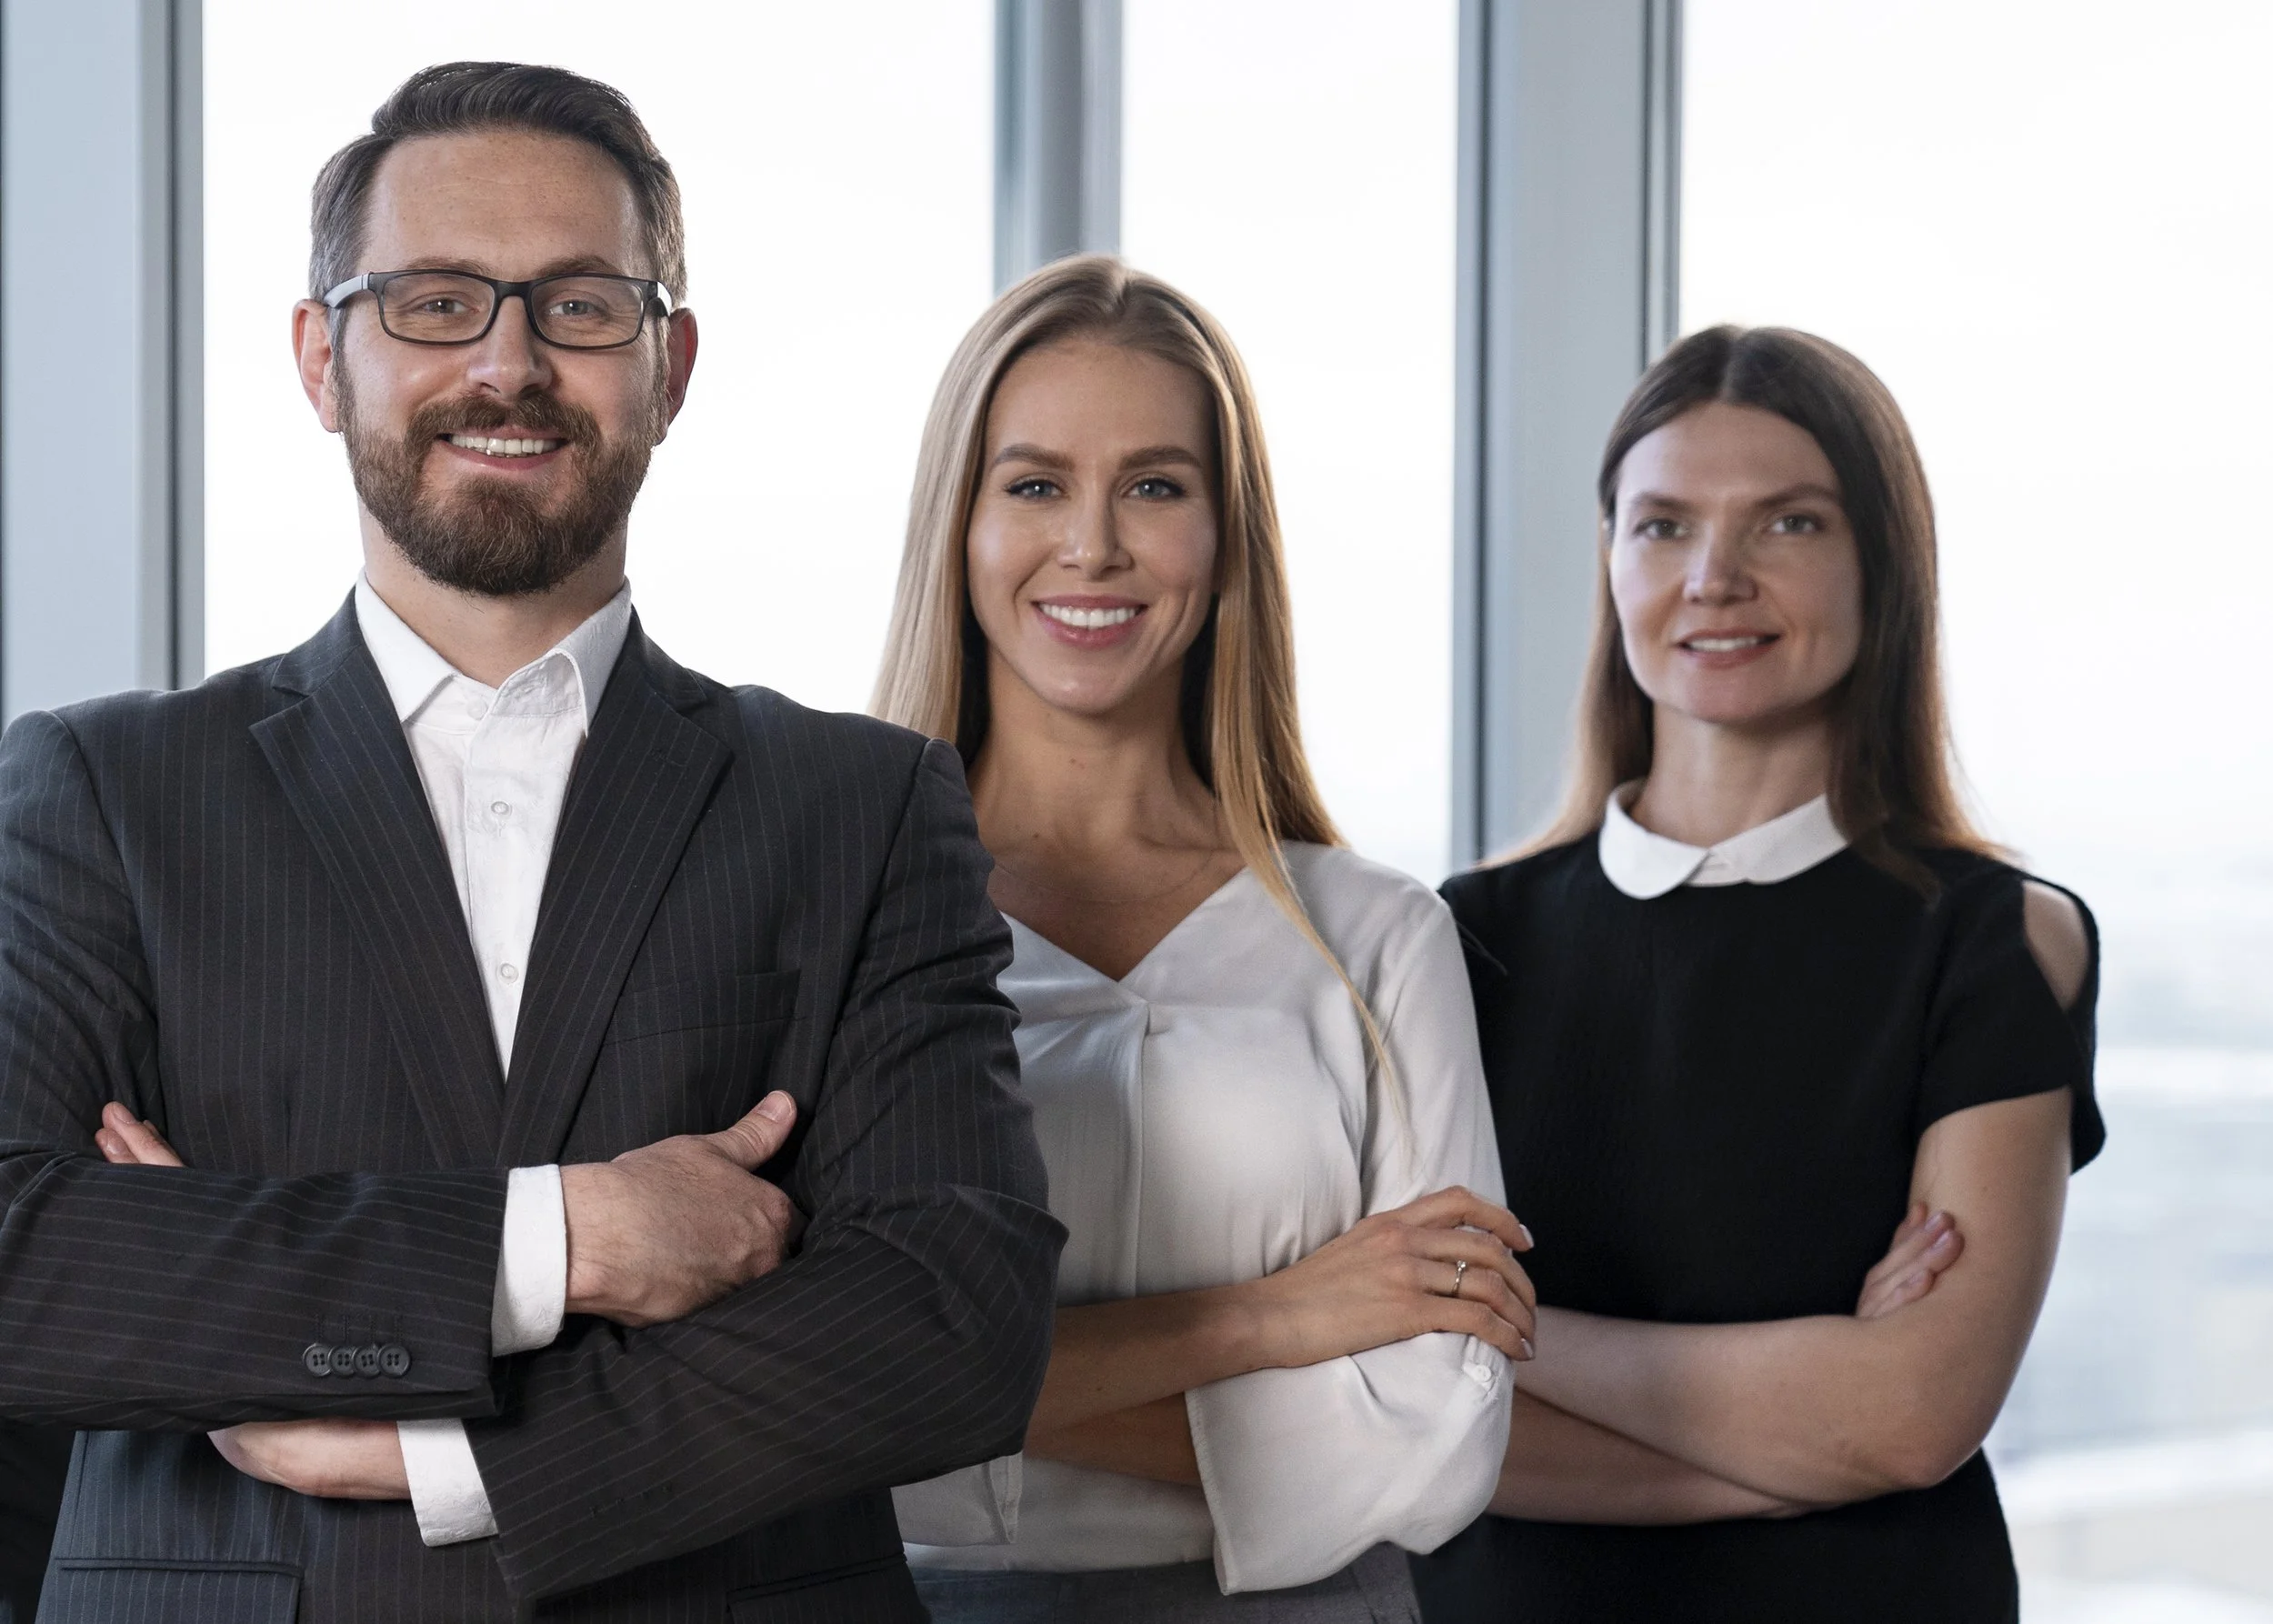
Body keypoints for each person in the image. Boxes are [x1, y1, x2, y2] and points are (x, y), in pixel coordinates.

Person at [0, 61, 1060, 1621]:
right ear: (321, 359)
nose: (508, 363)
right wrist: (570, 1236)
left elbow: (954, 1322)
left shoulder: (864, 804)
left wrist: (447, 1455)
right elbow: (26, 1263)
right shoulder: (107, 788)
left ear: (670, 366)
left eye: (580, 306)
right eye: (435, 302)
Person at [872, 255, 1532, 1622]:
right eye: (1034, 484)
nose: (1093, 546)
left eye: (1156, 487)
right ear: (959, 525)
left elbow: (1442, 1432)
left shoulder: (1379, 938)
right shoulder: (840, 914)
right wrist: (1278, 1319)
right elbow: (773, 1373)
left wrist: (951, 1398)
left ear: (1228, 537)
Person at [1409, 325, 2102, 1623]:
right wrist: (1797, 1429)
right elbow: (1394, 1422)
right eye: (1664, 526)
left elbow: (1912, 1414)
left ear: (1882, 563)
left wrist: (1495, 1321)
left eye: (1788, 523)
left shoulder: (1996, 936)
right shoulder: (1455, 940)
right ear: (1612, 559)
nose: (1714, 577)